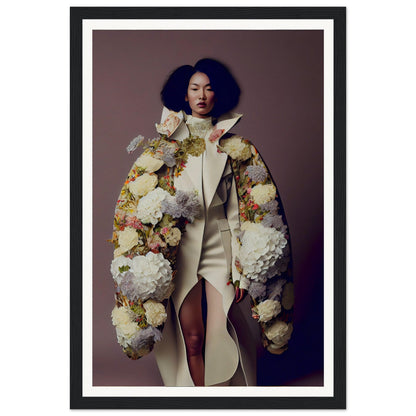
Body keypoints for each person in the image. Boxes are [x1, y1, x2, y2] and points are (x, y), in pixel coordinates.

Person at [110, 58, 293, 387]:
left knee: (221, 326)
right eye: (194, 88)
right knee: (191, 336)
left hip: (221, 247)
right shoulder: (166, 147)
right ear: (184, 95)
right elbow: (145, 202)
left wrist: (241, 268)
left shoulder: (235, 146)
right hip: (183, 249)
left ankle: (226, 393)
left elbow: (239, 210)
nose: (202, 95)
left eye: (209, 88)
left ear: (218, 94)